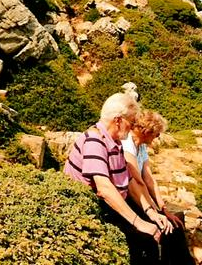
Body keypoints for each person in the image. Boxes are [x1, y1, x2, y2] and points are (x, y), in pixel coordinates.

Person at [64, 92, 168, 264]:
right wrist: (138, 222)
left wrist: (151, 212)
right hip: (94, 211)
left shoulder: (114, 141)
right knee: (146, 241)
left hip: (110, 207)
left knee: (153, 234)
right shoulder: (94, 141)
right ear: (119, 120)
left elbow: (131, 181)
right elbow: (104, 188)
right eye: (132, 122)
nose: (134, 126)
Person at [122, 109, 195, 265]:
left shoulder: (141, 146)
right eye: (156, 133)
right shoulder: (127, 144)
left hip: (141, 198)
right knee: (166, 228)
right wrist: (154, 212)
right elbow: (137, 181)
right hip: (131, 198)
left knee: (176, 221)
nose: (158, 137)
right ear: (147, 131)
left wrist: (163, 208)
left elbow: (148, 178)